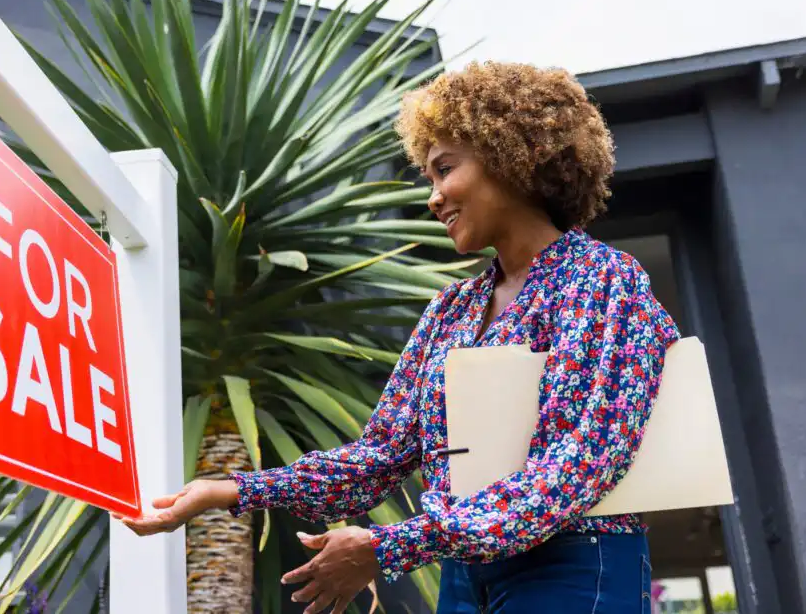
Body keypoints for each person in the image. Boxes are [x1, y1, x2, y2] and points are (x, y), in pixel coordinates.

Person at [115, 61, 681, 613]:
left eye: (445, 169)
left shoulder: (603, 279)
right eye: (429, 177)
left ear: (515, 158)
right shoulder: (451, 310)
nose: (433, 196)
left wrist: (390, 545)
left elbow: (579, 462)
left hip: (574, 559)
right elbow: (380, 456)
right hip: (465, 570)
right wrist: (232, 491)